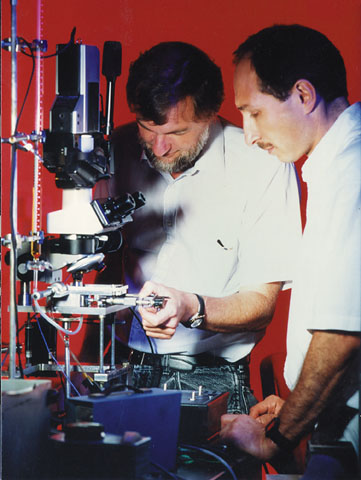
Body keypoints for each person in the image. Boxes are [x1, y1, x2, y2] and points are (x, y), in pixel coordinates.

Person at [95, 41, 301, 414]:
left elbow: (261, 303)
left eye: (176, 133)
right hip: (123, 368)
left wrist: (191, 306)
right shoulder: (114, 149)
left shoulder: (262, 164)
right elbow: (102, 262)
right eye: (147, 128)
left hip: (214, 377)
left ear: (210, 115)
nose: (158, 148)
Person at [219, 24, 360, 477]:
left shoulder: (352, 172)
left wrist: (278, 436)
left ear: (303, 95)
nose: (249, 134)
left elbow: (342, 335)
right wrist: (302, 409)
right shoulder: (331, 167)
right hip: (333, 421)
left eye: (254, 113)